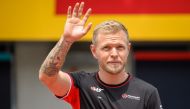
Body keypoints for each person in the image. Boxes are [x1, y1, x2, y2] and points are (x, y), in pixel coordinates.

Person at [39, 2, 163, 109]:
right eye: (106, 48)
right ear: (94, 51)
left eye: (120, 47)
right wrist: (66, 40)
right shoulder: (81, 84)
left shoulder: (147, 92)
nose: (114, 54)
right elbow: (47, 77)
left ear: (128, 49)